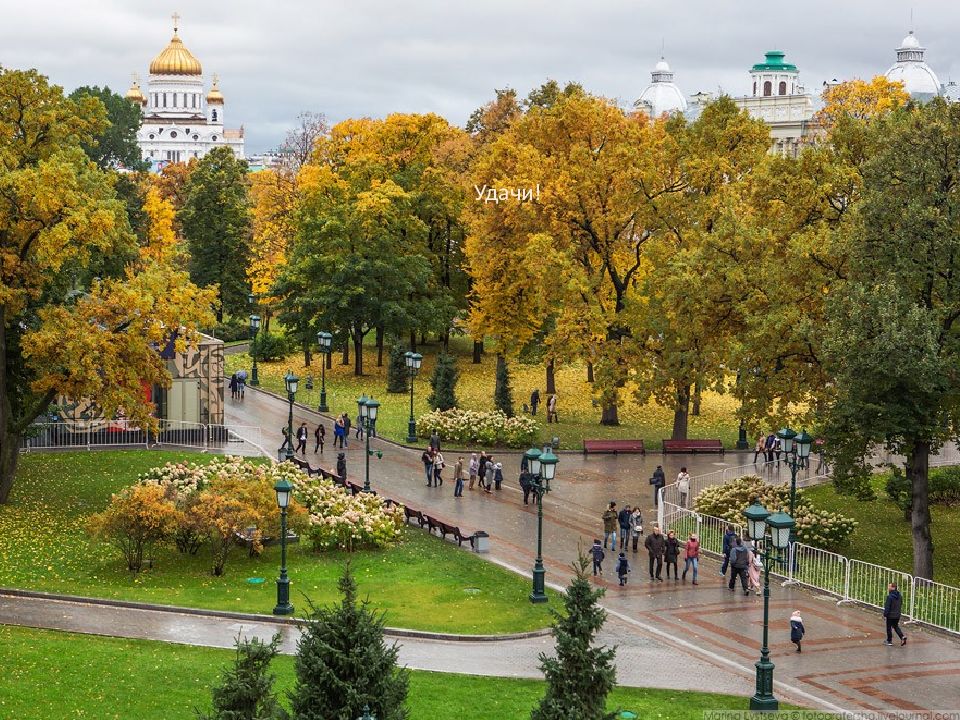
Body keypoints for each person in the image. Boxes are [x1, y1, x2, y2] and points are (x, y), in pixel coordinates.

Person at [883, 582, 907, 646]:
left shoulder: (889, 597)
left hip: (890, 615)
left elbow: (887, 607)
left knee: (889, 628)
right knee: (896, 626)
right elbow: (901, 603)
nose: (888, 588)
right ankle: (902, 637)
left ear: (893, 587)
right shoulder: (900, 596)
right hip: (897, 615)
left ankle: (889, 640)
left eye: (889, 586)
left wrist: (885, 615)